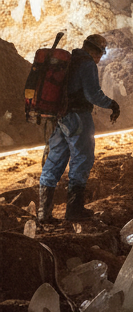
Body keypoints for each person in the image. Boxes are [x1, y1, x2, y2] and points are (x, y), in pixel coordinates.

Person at [38, 33, 120, 223]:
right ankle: (74, 211)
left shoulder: (70, 61)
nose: (100, 58)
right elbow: (93, 94)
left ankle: (43, 214)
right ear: (97, 51)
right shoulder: (87, 63)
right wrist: (112, 104)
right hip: (78, 118)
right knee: (82, 159)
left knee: (54, 161)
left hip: (61, 117)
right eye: (101, 53)